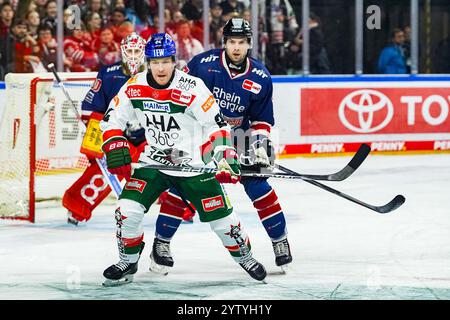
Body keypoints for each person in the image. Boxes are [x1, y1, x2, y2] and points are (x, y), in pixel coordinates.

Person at [100, 32, 267, 286]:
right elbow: (112, 119)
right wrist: (114, 142)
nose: (160, 68)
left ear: (174, 61)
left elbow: (215, 126)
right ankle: (129, 260)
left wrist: (223, 157)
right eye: (154, 62)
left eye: (165, 61)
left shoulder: (191, 87)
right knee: (126, 211)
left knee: (223, 223)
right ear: (147, 62)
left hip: (195, 165)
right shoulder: (134, 85)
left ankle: (245, 256)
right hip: (154, 163)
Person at [151, 18, 293, 274]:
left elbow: (261, 120)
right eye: (231, 42)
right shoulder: (201, 65)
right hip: (199, 137)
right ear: (224, 42)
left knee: (259, 185)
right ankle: (161, 243)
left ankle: (279, 241)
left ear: (249, 44)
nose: (236, 47)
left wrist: (260, 146)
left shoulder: (261, 77)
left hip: (239, 140)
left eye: (241, 42)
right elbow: (176, 100)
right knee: (182, 187)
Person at [62, 33, 148, 225]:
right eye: (130, 51)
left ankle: (178, 207)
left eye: (137, 51)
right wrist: (100, 129)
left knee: (165, 169)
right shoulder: (109, 73)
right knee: (110, 166)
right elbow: (91, 107)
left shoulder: (156, 74)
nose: (133, 55)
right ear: (123, 52)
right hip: (116, 136)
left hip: (148, 137)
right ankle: (77, 206)